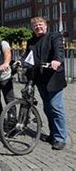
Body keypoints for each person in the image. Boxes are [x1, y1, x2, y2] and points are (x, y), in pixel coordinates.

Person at [22, 17, 67, 150]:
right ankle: (53, 134)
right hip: (40, 79)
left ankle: (60, 138)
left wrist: (56, 61)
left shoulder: (54, 36)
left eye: (40, 24)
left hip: (53, 78)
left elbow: (59, 50)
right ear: (32, 28)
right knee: (47, 108)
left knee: (55, 107)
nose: (38, 27)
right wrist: (20, 61)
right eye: (35, 25)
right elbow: (27, 56)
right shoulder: (31, 41)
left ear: (46, 25)